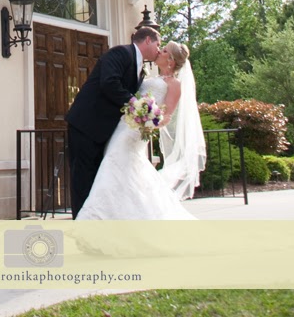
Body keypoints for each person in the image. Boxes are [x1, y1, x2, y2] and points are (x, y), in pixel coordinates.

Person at [74, 40, 206, 220]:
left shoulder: (174, 84)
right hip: (122, 127)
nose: (160, 51)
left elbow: (166, 116)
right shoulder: (149, 77)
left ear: (171, 60)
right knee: (120, 169)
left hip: (136, 133)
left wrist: (149, 118)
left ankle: (96, 217)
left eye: (164, 50)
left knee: (115, 163)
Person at [65, 25, 161, 218]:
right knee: (82, 178)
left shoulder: (141, 67)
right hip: (86, 124)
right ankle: (81, 225)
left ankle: (93, 223)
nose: (159, 50)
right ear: (148, 40)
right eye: (159, 44)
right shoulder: (120, 53)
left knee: (96, 179)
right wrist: (137, 105)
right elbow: (109, 83)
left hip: (103, 130)